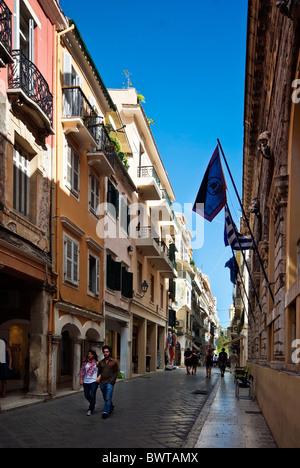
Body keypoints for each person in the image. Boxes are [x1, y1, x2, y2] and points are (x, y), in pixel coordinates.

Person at [97, 345, 119, 420]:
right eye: (104, 352)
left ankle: (105, 412)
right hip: (102, 382)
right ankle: (111, 406)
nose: (105, 353)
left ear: (109, 353)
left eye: (107, 352)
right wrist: (98, 380)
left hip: (110, 382)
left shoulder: (114, 362)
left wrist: (112, 381)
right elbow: (99, 372)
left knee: (108, 397)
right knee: (105, 397)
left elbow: (116, 372)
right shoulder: (101, 362)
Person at [79, 349, 99, 416]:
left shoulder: (96, 363)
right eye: (89, 354)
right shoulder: (85, 363)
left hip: (94, 381)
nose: (89, 355)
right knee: (86, 395)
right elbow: (82, 371)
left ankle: (90, 409)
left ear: (94, 355)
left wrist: (98, 378)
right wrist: (81, 379)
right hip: (86, 381)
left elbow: (101, 371)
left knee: (93, 394)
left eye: (91, 354)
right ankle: (92, 403)